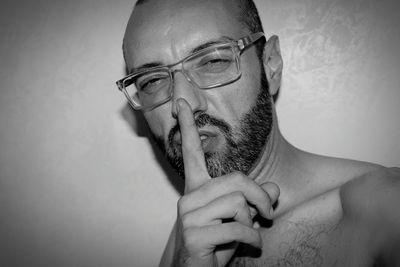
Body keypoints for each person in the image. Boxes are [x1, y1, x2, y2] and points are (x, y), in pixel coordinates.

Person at [117, 0, 400, 266]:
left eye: (213, 61)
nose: (184, 104)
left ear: (271, 65)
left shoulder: (382, 207)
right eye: (152, 80)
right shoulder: (186, 234)